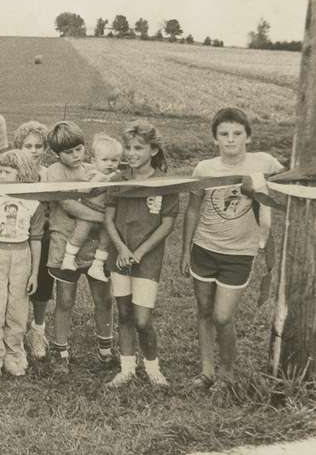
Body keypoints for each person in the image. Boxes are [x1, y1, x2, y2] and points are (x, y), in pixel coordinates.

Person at [181, 107, 283, 389]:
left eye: (237, 133)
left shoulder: (264, 162)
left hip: (239, 254)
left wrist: (262, 188)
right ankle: (207, 371)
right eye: (223, 134)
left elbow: (288, 185)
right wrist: (185, 250)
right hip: (205, 248)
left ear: (248, 137)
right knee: (204, 311)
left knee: (222, 316)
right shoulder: (204, 168)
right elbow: (192, 210)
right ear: (215, 139)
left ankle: (226, 374)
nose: (230, 140)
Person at [104, 121, 177, 388]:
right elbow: (109, 219)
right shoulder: (117, 180)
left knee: (143, 319)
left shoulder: (165, 183)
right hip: (120, 256)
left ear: (154, 150)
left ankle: (152, 367)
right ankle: (126, 369)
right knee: (123, 313)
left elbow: (167, 224)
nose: (131, 153)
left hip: (147, 260)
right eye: (128, 147)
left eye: (139, 147)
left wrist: (139, 252)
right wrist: (122, 249)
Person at [41, 121, 115, 372]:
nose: (75, 156)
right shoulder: (54, 172)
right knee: (65, 300)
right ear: (57, 154)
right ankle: (60, 351)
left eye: (79, 150)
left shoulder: (93, 169)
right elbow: (68, 204)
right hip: (65, 242)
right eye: (69, 152)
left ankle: (105, 349)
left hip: (94, 246)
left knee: (103, 298)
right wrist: (102, 219)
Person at [0, 150, 46, 384]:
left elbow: (36, 237)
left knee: (17, 308)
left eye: (8, 172)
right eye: (0, 171)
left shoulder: (33, 201)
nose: (2, 176)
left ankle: (14, 353)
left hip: (21, 255)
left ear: (22, 173)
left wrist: (34, 271)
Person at [12, 120, 52, 360]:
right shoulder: (11, 171)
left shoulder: (48, 174)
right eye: (29, 145)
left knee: (42, 282)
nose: (34, 150)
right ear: (19, 147)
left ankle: (38, 330)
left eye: (39, 146)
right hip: (14, 232)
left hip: (42, 232)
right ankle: (12, 331)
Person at [60, 134, 123, 281]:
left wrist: (113, 180)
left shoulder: (117, 176)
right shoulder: (93, 174)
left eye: (114, 160)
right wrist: (97, 181)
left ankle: (98, 265)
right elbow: (83, 192)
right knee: (80, 234)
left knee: (106, 239)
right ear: (94, 161)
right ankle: (68, 258)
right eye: (105, 160)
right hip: (89, 211)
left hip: (106, 214)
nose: (110, 164)